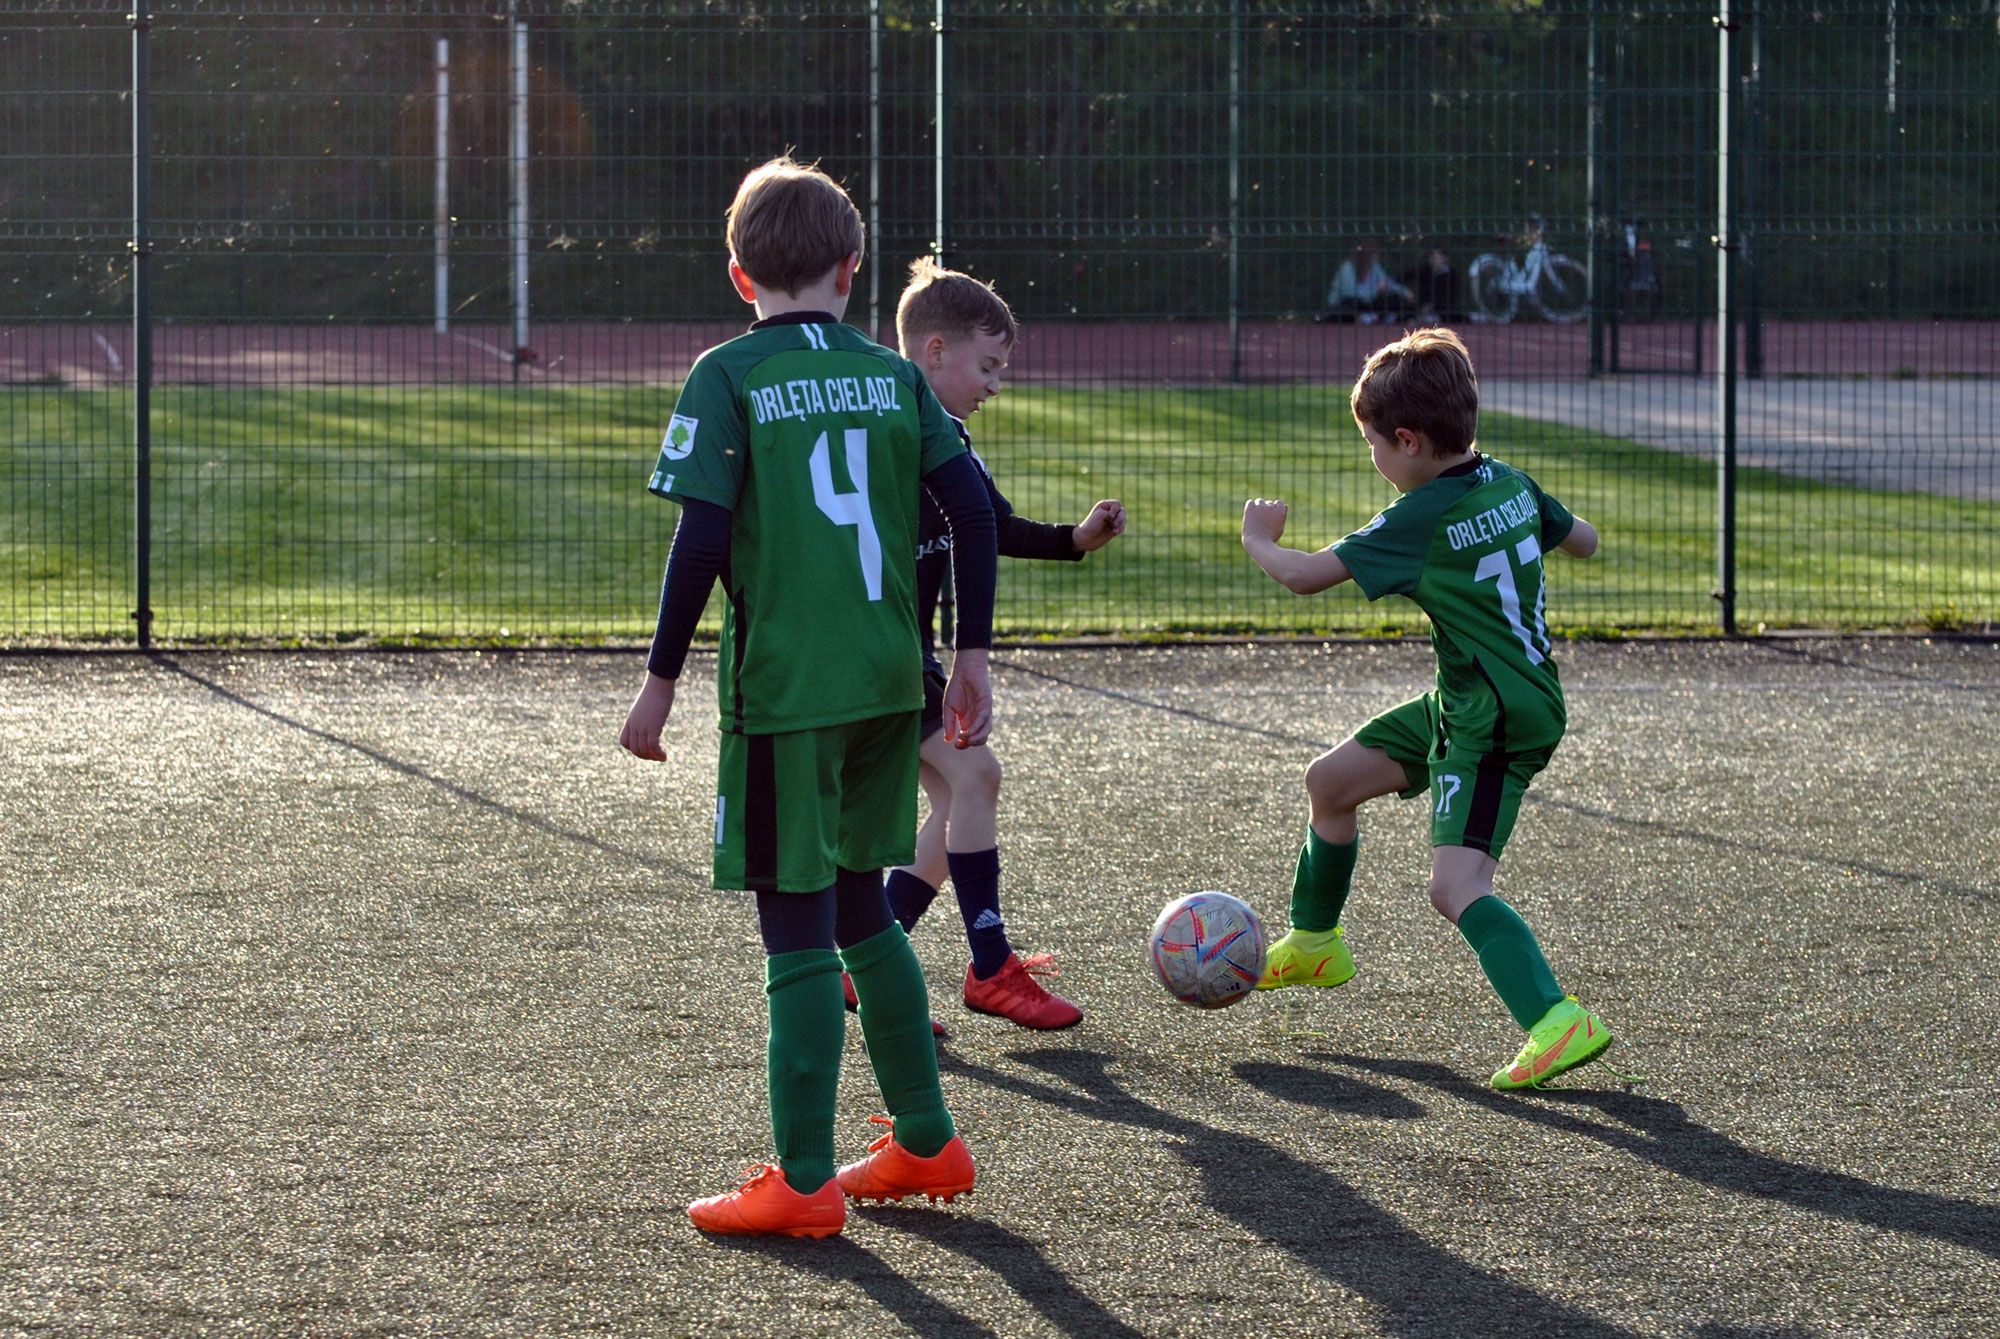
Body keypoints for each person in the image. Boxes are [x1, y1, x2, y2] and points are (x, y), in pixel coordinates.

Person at [619, 157, 1000, 1237]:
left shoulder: (727, 372)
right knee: (856, 906)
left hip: (789, 689)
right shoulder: (895, 376)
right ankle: (925, 1142)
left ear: (739, 275)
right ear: (850, 267)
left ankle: (801, 1179)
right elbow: (968, 507)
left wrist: (658, 683)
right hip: (891, 679)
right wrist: (969, 651)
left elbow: (699, 537)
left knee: (793, 927)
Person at [1239, 327, 1614, 1091]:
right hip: (1470, 695)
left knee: (1455, 886)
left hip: (1498, 716)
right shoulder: (1508, 480)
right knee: (1330, 781)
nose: (1374, 460)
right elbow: (1586, 540)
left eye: (1373, 444)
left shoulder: (1420, 517)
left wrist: (1257, 537)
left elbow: (1304, 576)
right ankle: (1314, 940)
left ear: (1408, 440)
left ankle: (1556, 1018)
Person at [848, 257, 1126, 1033]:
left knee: (965, 788)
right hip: (876, 654)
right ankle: (987, 965)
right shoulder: (894, 434)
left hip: (908, 657)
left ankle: (870, 964)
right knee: (971, 779)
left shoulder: (950, 438)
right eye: (988, 364)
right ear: (933, 350)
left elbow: (991, 525)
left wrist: (1074, 539)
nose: (996, 382)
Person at [1319, 240, 1414, 325]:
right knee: (1351, 305)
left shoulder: (1374, 266)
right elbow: (1350, 293)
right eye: (1374, 254)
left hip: (1368, 305)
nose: (1377, 257)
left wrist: (1405, 292)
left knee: (1394, 300)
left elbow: (1387, 283)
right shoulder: (1347, 268)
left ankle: (1371, 317)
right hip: (1348, 304)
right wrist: (1375, 289)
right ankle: (1371, 317)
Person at [1407, 247, 1460, 324]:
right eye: (1432, 257)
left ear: (1445, 258)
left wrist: (1431, 306)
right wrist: (1407, 292)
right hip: (1420, 306)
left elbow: (1450, 296)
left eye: (1437, 257)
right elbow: (1405, 276)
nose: (1433, 260)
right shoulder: (1424, 270)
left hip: (1442, 308)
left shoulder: (1452, 275)